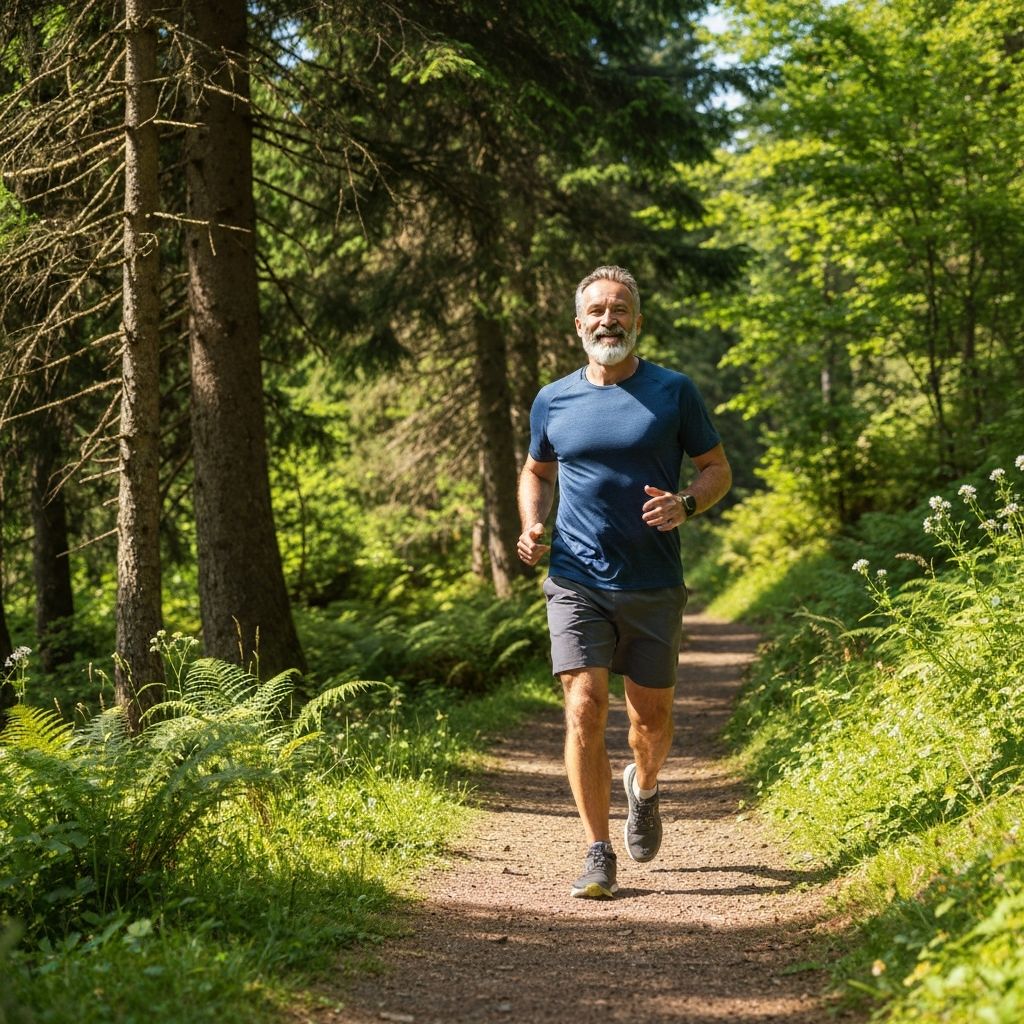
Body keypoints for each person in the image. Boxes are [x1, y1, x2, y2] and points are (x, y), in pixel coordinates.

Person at [516, 265, 731, 898]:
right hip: (576, 577)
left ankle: (646, 785)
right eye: (597, 311)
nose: (608, 320)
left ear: (638, 323)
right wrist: (532, 523)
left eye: (620, 310)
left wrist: (687, 504)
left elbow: (716, 468)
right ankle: (596, 849)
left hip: (653, 582)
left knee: (651, 721)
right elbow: (536, 470)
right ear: (578, 324)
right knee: (583, 705)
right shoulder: (553, 399)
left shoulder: (675, 392)